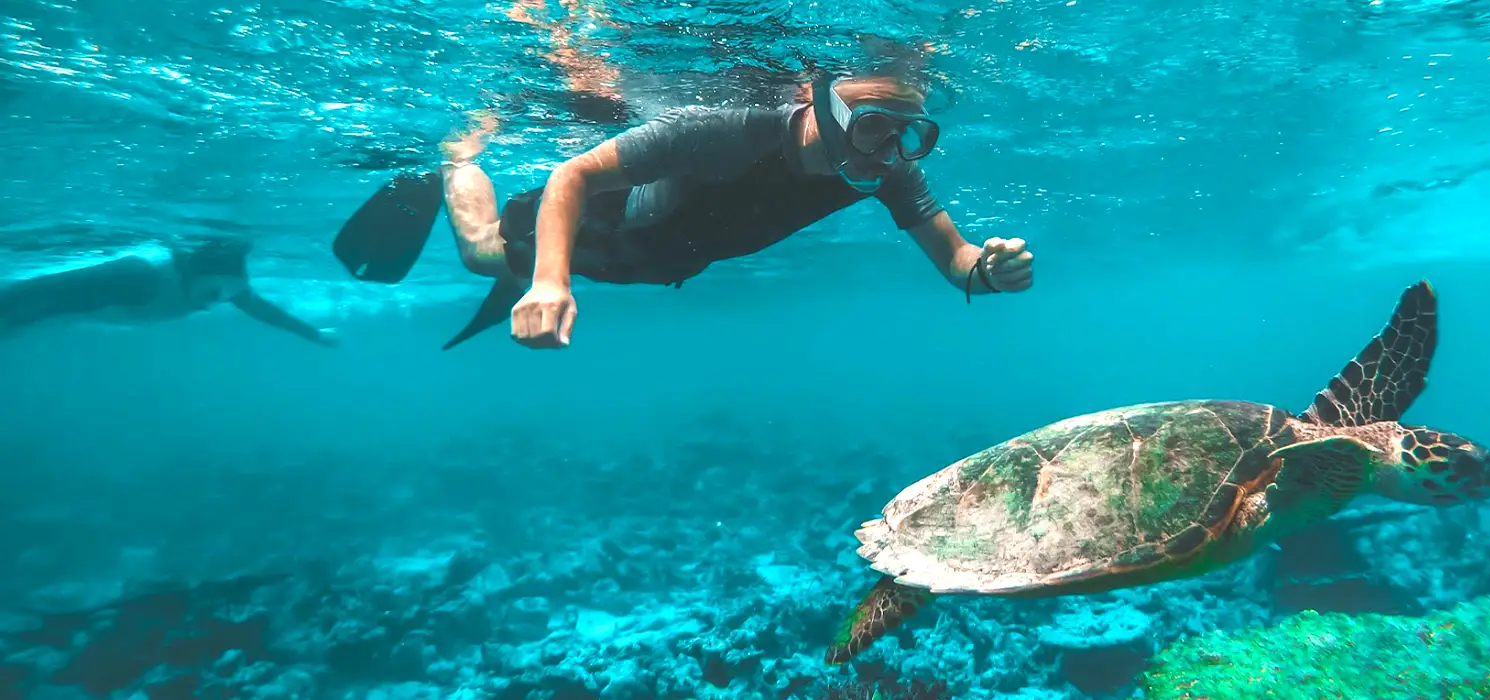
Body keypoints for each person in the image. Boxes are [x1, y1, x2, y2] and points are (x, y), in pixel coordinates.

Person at [336, 70, 1036, 350]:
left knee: (503, 267)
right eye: (875, 127)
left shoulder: (886, 170)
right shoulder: (723, 129)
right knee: (481, 252)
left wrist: (989, 271)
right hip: (598, 228)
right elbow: (572, 174)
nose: (888, 153)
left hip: (665, 259)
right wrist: (551, 279)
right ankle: (458, 161)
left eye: (908, 136)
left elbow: (955, 257)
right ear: (824, 111)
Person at [0, 232, 340, 347]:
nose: (214, 305)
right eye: (213, 295)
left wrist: (314, 334)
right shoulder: (140, 278)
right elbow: (51, 294)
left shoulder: (220, 283)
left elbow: (264, 310)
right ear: (193, 272)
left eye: (226, 296)